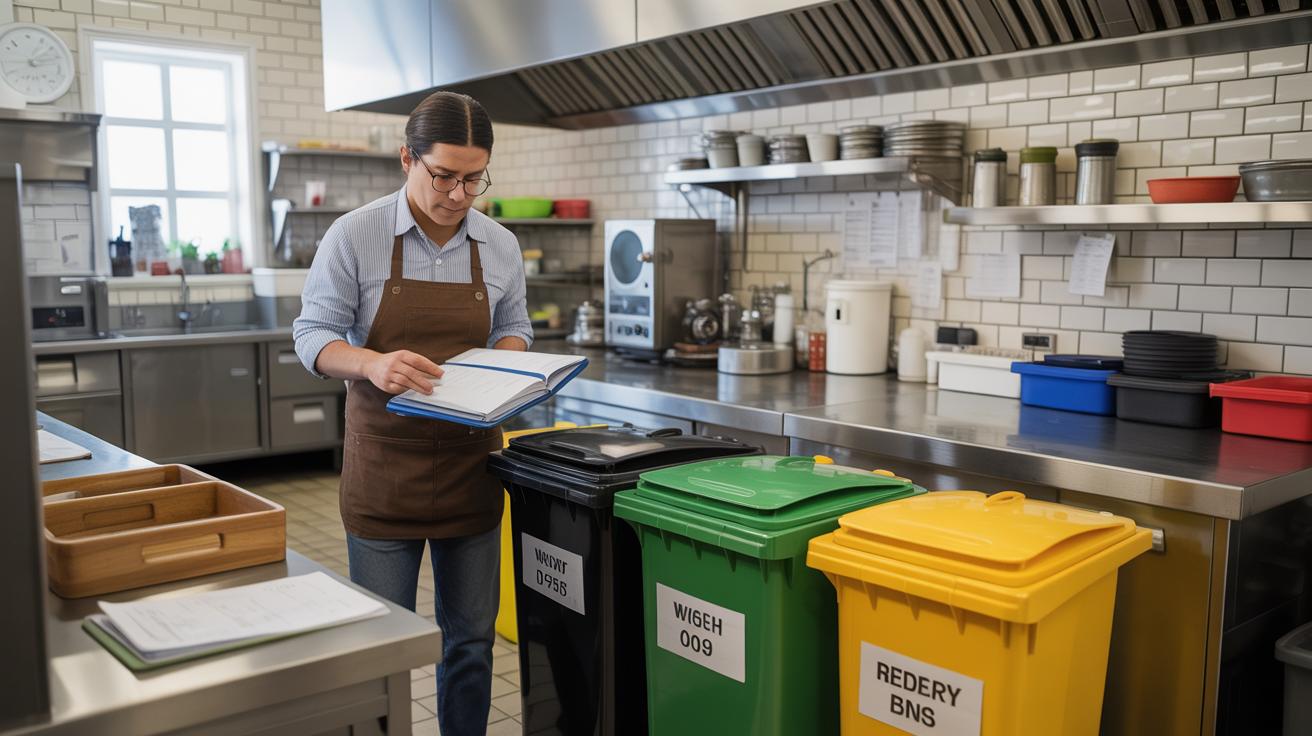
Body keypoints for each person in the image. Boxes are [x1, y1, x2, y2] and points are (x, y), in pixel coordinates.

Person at [293, 90, 531, 736]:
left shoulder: (500, 247)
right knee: (378, 651)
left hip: (471, 471)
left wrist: (502, 364)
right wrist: (371, 364)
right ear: (407, 158)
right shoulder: (355, 235)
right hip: (383, 476)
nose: (459, 194)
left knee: (471, 647)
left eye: (473, 178)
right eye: (444, 175)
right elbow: (312, 335)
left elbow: (517, 329)